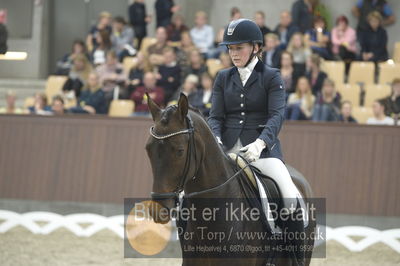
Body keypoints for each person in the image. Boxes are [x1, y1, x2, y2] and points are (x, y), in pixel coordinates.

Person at [207, 19, 305, 265]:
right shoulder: (222, 77)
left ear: (255, 47)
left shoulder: (271, 76)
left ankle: (291, 257)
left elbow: (276, 116)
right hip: (227, 151)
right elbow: (215, 116)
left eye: (239, 47)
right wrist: (216, 139)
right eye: (230, 48)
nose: (233, 53)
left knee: (290, 196)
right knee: (191, 191)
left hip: (262, 153)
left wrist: (261, 143)